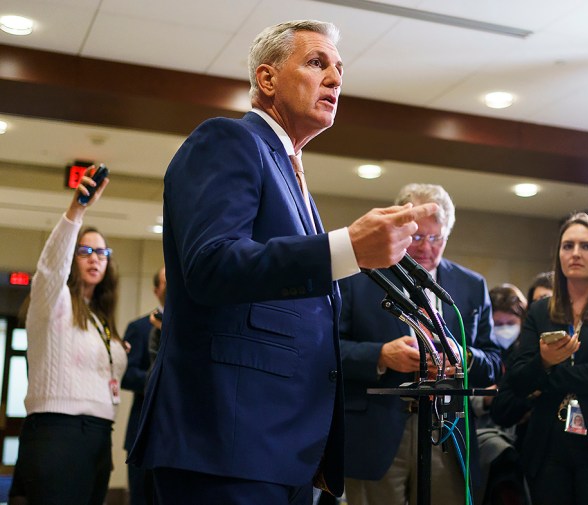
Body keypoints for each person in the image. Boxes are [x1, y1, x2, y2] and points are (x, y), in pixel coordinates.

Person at [127, 20, 437, 505]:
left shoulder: (293, 174)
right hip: (227, 444)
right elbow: (210, 264)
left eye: (339, 69)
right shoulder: (229, 141)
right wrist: (345, 249)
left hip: (289, 451)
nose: (335, 78)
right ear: (267, 80)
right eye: (317, 63)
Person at [339, 183, 502, 505]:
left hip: (448, 428)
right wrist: (381, 355)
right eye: (416, 237)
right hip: (378, 430)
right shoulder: (360, 277)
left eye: (435, 238)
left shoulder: (470, 285)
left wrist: (465, 357)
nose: (425, 247)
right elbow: (327, 350)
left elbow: (494, 359)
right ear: (398, 229)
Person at [502, 212, 588, 505]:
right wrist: (542, 361)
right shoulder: (541, 310)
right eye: (568, 246)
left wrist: (546, 372)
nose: (575, 253)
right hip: (547, 445)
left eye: (587, 246)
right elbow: (517, 379)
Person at [13, 170, 128, 504]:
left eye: (102, 253)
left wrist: (118, 352)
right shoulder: (54, 301)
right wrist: (76, 211)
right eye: (85, 251)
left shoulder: (99, 318)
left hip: (98, 435)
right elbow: (51, 268)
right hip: (57, 433)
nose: (95, 257)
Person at [121, 265, 165, 505]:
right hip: (142, 426)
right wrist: (157, 380)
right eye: (167, 283)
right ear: (156, 290)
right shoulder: (139, 327)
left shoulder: (189, 326)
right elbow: (126, 374)